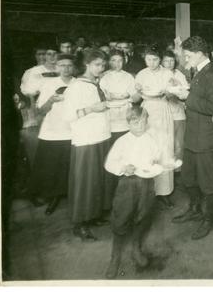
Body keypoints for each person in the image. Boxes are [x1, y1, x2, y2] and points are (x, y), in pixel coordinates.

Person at [172, 36, 213, 240]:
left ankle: (209, 219)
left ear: (199, 53)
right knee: (188, 177)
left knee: (209, 181)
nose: (186, 60)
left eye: (187, 55)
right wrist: (186, 93)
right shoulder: (199, 71)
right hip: (193, 135)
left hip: (207, 137)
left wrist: (187, 98)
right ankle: (195, 209)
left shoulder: (212, 74)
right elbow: (200, 97)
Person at [104, 106, 164, 279]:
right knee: (121, 217)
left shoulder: (150, 139)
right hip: (127, 184)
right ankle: (115, 257)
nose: (140, 125)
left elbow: (156, 157)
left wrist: (157, 164)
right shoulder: (122, 141)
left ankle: (136, 247)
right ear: (128, 122)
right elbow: (109, 163)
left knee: (144, 215)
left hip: (146, 184)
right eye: (135, 122)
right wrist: (123, 168)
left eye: (143, 121)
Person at [63, 49, 111, 241]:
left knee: (97, 179)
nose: (102, 67)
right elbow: (68, 116)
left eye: (102, 64)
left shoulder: (94, 84)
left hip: (101, 136)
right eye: (97, 64)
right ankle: (80, 223)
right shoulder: (76, 86)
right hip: (86, 139)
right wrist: (92, 109)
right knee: (84, 181)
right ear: (86, 65)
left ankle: (93, 215)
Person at [29, 53, 75, 216]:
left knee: (68, 166)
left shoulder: (78, 84)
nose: (66, 69)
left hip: (72, 131)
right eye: (62, 65)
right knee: (51, 166)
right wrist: (51, 101)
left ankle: (68, 195)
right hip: (52, 131)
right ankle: (52, 196)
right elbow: (39, 111)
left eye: (69, 65)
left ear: (74, 67)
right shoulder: (49, 84)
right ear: (56, 67)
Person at [135, 48, 176, 209]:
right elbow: (136, 97)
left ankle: (165, 192)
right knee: (148, 148)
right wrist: (138, 91)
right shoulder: (141, 74)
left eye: (155, 59)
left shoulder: (167, 73)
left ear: (160, 59)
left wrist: (169, 92)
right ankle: (148, 190)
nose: (152, 63)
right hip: (147, 112)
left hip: (163, 110)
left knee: (165, 148)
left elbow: (174, 95)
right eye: (149, 59)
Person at [100, 50, 138, 144]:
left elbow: (133, 95)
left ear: (124, 61)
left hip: (125, 113)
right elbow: (104, 95)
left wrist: (128, 96)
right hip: (110, 114)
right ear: (109, 61)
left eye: (120, 60)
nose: (117, 63)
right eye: (113, 60)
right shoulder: (104, 77)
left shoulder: (128, 76)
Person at [161, 50, 189, 166]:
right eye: (166, 61)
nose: (169, 63)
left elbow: (185, 92)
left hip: (178, 113)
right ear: (162, 62)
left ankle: (178, 170)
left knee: (178, 143)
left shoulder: (179, 74)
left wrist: (177, 87)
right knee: (165, 142)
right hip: (162, 113)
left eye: (172, 60)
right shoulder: (159, 74)